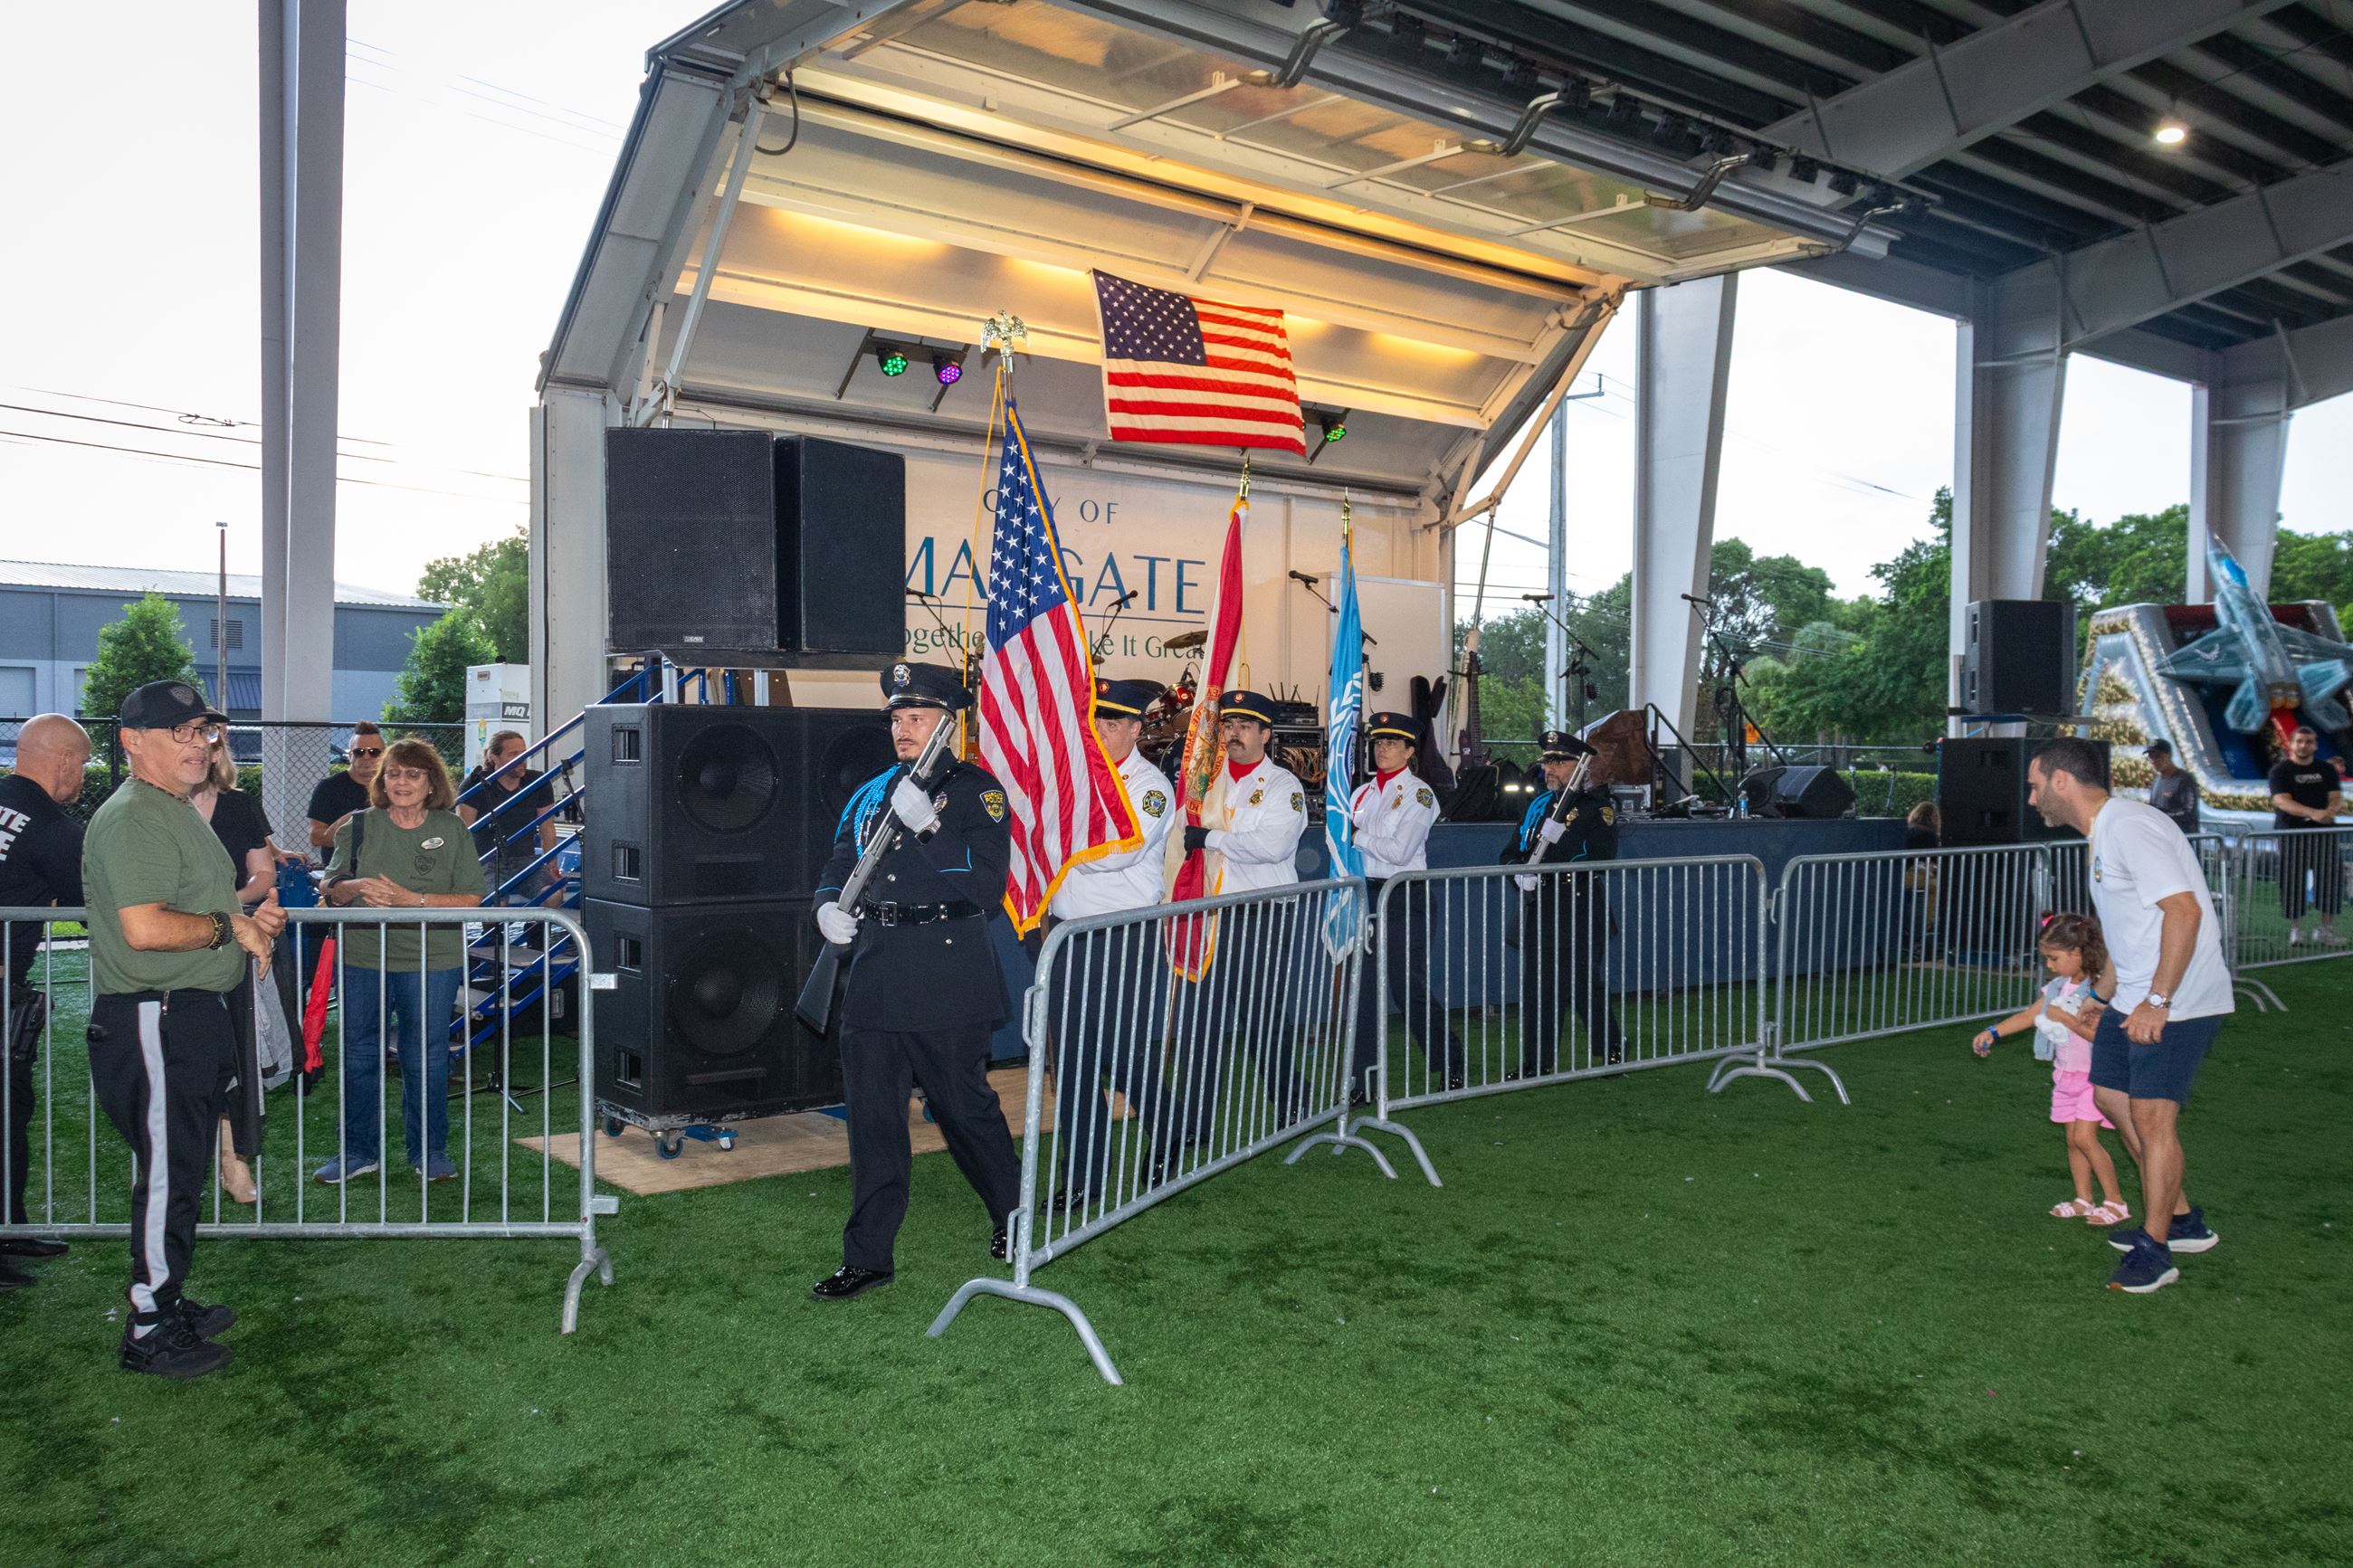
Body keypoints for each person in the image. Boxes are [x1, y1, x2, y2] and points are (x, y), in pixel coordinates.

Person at [83, 681, 284, 1376]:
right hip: (155, 1015)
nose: (199, 741)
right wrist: (232, 925)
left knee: (181, 1168)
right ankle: (148, 1324)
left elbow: (204, 905)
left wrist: (247, 923)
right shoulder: (137, 815)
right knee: (169, 1175)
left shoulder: (171, 809)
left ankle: (165, 1299)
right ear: (132, 741)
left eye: (203, 729)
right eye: (180, 730)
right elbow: (145, 928)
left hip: (182, 1014)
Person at [807, 662, 1021, 1302]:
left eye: (917, 717)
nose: (903, 728)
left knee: (965, 1110)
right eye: (897, 717)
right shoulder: (871, 793)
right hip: (875, 971)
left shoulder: (980, 793)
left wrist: (929, 827)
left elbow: (986, 889)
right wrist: (825, 906)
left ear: (947, 724)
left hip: (946, 971)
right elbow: (840, 861)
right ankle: (868, 1255)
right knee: (873, 1123)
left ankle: (1015, 1215)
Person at [2027, 736, 2231, 1294]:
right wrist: (2099, 998)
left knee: (2151, 1120)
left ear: (2062, 781)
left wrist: (2158, 1001)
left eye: (2035, 784)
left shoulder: (2130, 826)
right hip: (2130, 997)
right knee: (2111, 1097)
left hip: (2180, 1001)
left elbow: (2184, 912)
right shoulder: (2103, 834)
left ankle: (2156, 1250)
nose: (2031, 797)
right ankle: (2185, 1220)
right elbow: (2125, 932)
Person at [312, 738, 487, 1185]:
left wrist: (414, 901)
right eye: (394, 773)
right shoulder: (359, 825)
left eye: (413, 774)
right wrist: (353, 888)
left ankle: (429, 1151)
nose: (401, 782)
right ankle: (356, 1152)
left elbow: (472, 898)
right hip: (362, 955)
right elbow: (330, 885)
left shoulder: (452, 828)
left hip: (433, 959)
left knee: (425, 1056)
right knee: (358, 1053)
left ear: (431, 783)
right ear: (381, 780)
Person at [1041, 678, 1174, 1213]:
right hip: (1069, 935)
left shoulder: (1148, 787)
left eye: (1113, 723)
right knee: (1071, 1061)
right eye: (1095, 721)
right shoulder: (1078, 778)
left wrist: (1055, 836)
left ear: (1138, 730)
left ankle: (1171, 1127)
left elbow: (1113, 853)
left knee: (1124, 1056)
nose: (1100, 731)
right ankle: (1086, 1175)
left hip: (1122, 938)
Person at [1175, 690, 1310, 1138]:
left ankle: (1293, 1102)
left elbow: (1271, 847)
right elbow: (1178, 836)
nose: (1233, 734)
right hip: (1212, 914)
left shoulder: (1283, 786)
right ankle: (1195, 1123)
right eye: (1229, 725)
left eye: (1245, 726)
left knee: (1262, 1018)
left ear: (1266, 735)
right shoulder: (1206, 783)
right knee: (1202, 1020)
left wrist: (1209, 838)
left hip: (1260, 916)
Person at [0, 713, 90, 1289]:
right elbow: (90, 897)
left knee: (13, 1107)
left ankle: (10, 1227)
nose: (81, 775)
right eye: (81, 763)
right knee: (5, 1110)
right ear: (60, 760)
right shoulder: (51, 823)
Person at [1970, 912, 2130, 1227]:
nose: (2049, 965)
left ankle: (2116, 1201)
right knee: (2073, 1140)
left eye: (2054, 958)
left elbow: (2102, 1037)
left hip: (2093, 1076)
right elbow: (2030, 1015)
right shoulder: (2057, 988)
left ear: (2078, 953)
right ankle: (2084, 1199)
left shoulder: (2099, 991)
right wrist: (1994, 1031)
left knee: (2085, 1138)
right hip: (2064, 1075)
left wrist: (2068, 1020)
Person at [1347, 710, 1465, 1101]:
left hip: (1405, 896)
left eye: (1392, 743)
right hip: (1367, 892)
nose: (1383, 749)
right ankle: (1362, 1081)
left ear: (1410, 751)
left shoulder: (1419, 793)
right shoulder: (1359, 795)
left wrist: (1355, 835)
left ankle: (1450, 1061)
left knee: (1405, 985)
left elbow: (1400, 852)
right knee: (1362, 989)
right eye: (1379, 742)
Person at [1504, 730, 1624, 1076]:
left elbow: (1600, 854)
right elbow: (1512, 851)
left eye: (1559, 762)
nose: (1550, 769)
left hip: (1578, 905)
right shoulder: (1539, 806)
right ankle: (1536, 1063)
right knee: (1538, 986)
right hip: (1540, 907)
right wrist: (1518, 872)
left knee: (1584, 983)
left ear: (1579, 767)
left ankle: (1611, 1046)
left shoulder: (1596, 808)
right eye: (1547, 762)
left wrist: (1557, 855)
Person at [193, 733, 281, 1205]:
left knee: (232, 1056)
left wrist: (227, 909)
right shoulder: (156, 805)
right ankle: (169, 1167)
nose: (202, 752)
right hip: (170, 951)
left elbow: (264, 875)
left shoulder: (241, 805)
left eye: (210, 744)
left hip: (230, 947)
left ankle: (233, 1162)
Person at [458, 729, 559, 904]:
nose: (521, 759)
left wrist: (551, 863)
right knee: (495, 902)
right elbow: (463, 831)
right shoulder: (475, 784)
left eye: (524, 753)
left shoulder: (538, 781)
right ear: (494, 757)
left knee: (553, 895)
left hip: (525, 860)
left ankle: (535, 930)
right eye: (513, 754)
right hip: (487, 861)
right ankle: (494, 931)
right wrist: (464, 869)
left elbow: (547, 827)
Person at [2267, 726, 2343, 946]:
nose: (2304, 745)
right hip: (2292, 833)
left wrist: (2330, 811)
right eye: (2299, 741)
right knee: (2292, 881)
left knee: (2330, 881)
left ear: (2315, 745)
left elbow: (2336, 797)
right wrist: (2313, 813)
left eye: (2309, 742)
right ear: (2290, 744)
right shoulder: (2280, 771)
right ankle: (2296, 931)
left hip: (2324, 834)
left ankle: (2326, 930)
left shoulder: (2326, 770)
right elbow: (2281, 800)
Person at [305, 721, 384, 856]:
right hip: (342, 869)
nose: (366, 757)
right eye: (359, 752)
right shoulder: (329, 787)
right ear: (350, 756)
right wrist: (345, 827)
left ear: (384, 755)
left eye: (374, 752)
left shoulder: (393, 786)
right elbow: (315, 838)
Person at [2145, 739, 2199, 836]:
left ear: (2169, 755)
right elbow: (2153, 807)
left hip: (2183, 839)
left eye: (2157, 756)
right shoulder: (2156, 782)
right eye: (2150, 757)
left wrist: (2161, 815)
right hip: (2163, 838)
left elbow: (2188, 812)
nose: (2154, 761)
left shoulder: (2185, 779)